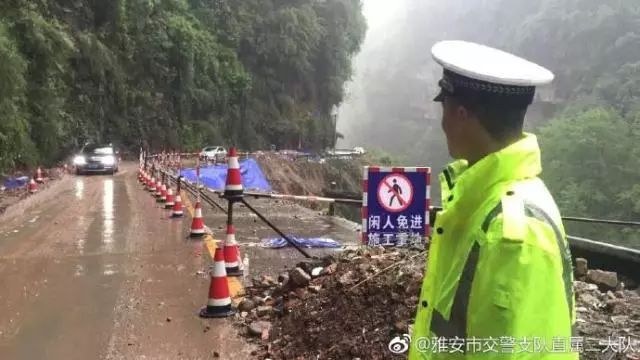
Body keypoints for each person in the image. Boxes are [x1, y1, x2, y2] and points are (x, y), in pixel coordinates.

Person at [409, 41, 576, 359]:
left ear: (460, 115)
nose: (442, 124)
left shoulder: (512, 233)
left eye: (443, 109)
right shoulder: (483, 202)